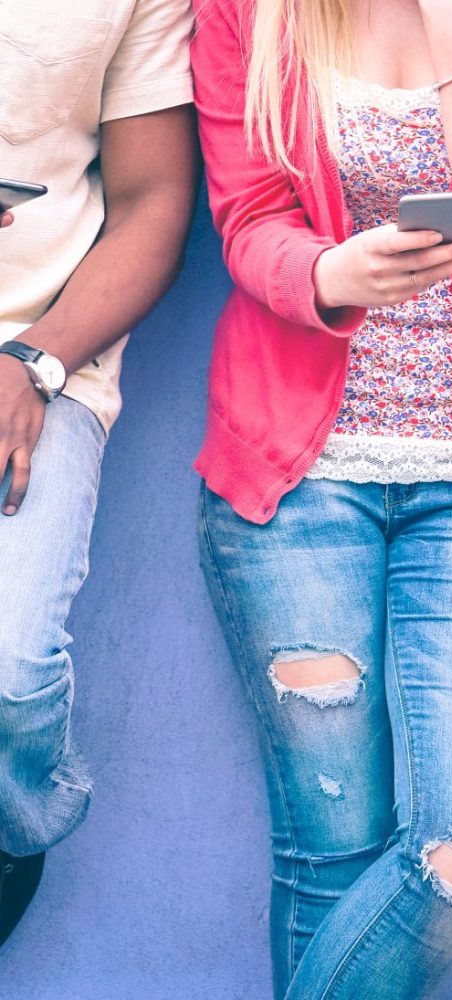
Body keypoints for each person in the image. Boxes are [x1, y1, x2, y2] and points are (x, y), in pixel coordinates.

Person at [190, 0, 452, 994]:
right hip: (294, 485)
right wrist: (334, 271)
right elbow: (247, 221)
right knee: (328, 853)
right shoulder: (249, 11)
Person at [0, 0, 197, 949]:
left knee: (8, 665)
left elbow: (154, 198)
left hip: (38, 357)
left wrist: (34, 360)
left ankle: (13, 831)